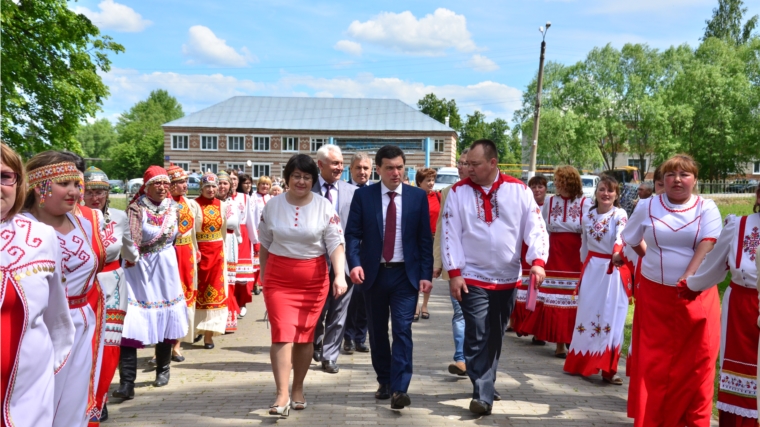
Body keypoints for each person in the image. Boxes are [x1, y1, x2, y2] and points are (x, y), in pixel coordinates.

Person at [442, 140, 549, 415]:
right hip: (472, 276)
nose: (469, 168)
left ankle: (484, 384)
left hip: (507, 277)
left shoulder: (519, 190)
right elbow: (450, 234)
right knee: (476, 332)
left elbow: (536, 228)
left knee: (495, 335)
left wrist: (537, 262)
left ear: (492, 163)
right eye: (466, 163)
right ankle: (483, 393)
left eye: (475, 164)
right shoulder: (458, 192)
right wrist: (454, 272)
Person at [622, 154, 722, 427]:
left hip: (696, 295)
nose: (677, 180)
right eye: (671, 175)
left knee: (697, 363)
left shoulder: (707, 207)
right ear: (662, 180)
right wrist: (651, 258)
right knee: (655, 365)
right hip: (655, 299)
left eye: (684, 174)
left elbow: (709, 242)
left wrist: (689, 277)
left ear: (695, 180)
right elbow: (630, 239)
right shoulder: (646, 206)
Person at [345, 145, 434, 410]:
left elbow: (423, 241)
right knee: (377, 332)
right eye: (389, 168)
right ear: (379, 169)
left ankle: (399, 388)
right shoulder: (365, 197)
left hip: (404, 276)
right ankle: (384, 379)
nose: (395, 173)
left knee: (403, 330)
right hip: (373, 275)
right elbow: (352, 234)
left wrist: (426, 275)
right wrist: (355, 264)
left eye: (400, 167)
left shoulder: (417, 197)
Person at [258, 154, 347, 416]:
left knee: (305, 336)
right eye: (296, 176)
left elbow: (335, 244)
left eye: (307, 177)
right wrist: (264, 277)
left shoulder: (324, 207)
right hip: (278, 279)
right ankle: (281, 394)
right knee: (282, 333)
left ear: (313, 180)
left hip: (313, 280)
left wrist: (339, 275)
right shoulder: (272, 206)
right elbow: (264, 244)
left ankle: (298, 387)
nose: (301, 181)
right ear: (287, 178)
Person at [23, 152, 105, 427]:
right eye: (64, 183)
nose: (74, 191)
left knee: (74, 401)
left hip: (84, 322)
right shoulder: (20, 230)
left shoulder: (84, 222)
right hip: (42, 328)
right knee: (41, 401)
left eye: (75, 183)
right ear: (39, 186)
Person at [1, 143, 75, 427]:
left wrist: (46, 369)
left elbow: (56, 314)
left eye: (6, 176)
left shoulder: (42, 236)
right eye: (63, 183)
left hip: (29, 391)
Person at [684, 184, 760, 425]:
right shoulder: (738, 226)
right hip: (742, 306)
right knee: (742, 370)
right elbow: (715, 264)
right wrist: (691, 285)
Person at [118, 166, 189, 396]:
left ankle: (163, 368)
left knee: (167, 316)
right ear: (146, 186)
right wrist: (132, 256)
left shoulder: (175, 208)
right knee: (131, 320)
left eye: (165, 184)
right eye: (157, 184)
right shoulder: (136, 208)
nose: (162, 188)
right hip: (139, 268)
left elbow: (180, 238)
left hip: (166, 267)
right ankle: (127, 382)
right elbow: (132, 239)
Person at [564, 176, 630, 385]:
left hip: (612, 270)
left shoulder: (619, 214)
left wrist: (617, 252)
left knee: (611, 316)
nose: (606, 194)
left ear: (616, 195)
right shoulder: (588, 216)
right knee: (587, 313)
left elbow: (621, 236)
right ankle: (581, 362)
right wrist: (582, 269)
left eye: (610, 191)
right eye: (602, 189)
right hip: (592, 270)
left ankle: (609, 368)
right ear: (596, 193)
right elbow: (584, 245)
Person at [83, 166, 133, 422]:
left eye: (100, 192)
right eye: (90, 191)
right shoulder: (73, 218)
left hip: (113, 285)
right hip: (83, 287)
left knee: (109, 345)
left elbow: (128, 247)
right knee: (86, 345)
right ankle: (84, 398)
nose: (95, 197)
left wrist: (133, 259)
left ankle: (100, 399)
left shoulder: (118, 217)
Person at [523, 166, 589, 358]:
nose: (558, 185)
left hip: (575, 254)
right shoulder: (550, 202)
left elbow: (586, 231)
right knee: (554, 297)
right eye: (557, 181)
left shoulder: (585, 203)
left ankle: (570, 339)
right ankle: (559, 343)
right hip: (555, 253)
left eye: (562, 181)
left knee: (572, 298)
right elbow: (542, 228)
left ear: (571, 182)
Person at [311, 145, 357, 374]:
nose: (340, 167)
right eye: (335, 163)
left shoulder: (352, 192)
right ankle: (315, 341)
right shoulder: (307, 188)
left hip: (345, 262)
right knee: (317, 310)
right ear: (320, 165)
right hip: (314, 262)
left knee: (339, 312)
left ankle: (330, 356)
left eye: (341, 163)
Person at [433, 148, 470, 377]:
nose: (461, 167)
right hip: (456, 265)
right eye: (460, 163)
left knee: (479, 318)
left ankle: (475, 359)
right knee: (460, 312)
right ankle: (460, 358)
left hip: (483, 267)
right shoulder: (448, 192)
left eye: (466, 163)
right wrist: (437, 262)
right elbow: (441, 229)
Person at [167, 164, 200, 359]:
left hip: (186, 252)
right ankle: (161, 347)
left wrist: (196, 250)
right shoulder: (162, 204)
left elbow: (193, 231)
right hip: (169, 253)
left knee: (185, 294)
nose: (185, 185)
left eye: (185, 181)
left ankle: (177, 344)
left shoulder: (190, 204)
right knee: (166, 296)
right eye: (180, 182)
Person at [193, 173, 229, 348]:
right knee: (198, 291)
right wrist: (195, 250)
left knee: (215, 292)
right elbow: (191, 231)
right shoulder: (194, 205)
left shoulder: (222, 205)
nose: (211, 189)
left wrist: (222, 251)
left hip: (217, 254)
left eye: (214, 186)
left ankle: (209, 334)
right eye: (207, 186)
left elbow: (223, 232)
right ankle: (195, 329)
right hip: (199, 252)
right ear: (201, 187)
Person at [343, 152, 372, 354]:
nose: (362, 172)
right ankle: (347, 337)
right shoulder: (344, 191)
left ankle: (361, 337)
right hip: (348, 251)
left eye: (366, 168)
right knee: (349, 299)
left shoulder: (376, 192)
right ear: (351, 169)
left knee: (365, 299)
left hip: (370, 253)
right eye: (358, 168)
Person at [512, 174, 548, 338]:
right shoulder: (525, 204)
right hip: (525, 247)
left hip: (541, 249)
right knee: (522, 286)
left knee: (537, 288)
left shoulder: (549, 205)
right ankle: (517, 323)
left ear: (546, 189)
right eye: (534, 187)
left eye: (540, 186)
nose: (537, 190)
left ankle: (534, 327)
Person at [228, 170, 257, 319]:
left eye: (234, 179)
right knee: (228, 276)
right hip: (226, 236)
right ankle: (231, 305)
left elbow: (251, 221)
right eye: (230, 179)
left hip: (243, 235)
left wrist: (255, 241)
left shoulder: (245, 198)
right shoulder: (221, 198)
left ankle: (242, 303)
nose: (233, 181)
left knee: (242, 276)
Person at [216, 171, 242, 333]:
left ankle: (227, 320)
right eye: (219, 183)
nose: (222, 186)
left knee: (229, 283)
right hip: (214, 242)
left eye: (225, 183)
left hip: (230, 243)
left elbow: (235, 224)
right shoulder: (208, 203)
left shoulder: (234, 203)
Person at [414, 168, 440, 321]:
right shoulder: (415, 197)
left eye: (432, 180)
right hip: (418, 239)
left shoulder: (438, 196)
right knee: (416, 272)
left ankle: (425, 305)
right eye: (427, 180)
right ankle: (415, 305)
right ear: (419, 182)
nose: (431, 183)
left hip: (434, 239)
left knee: (429, 272)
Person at [251, 176, 272, 295]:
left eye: (267, 184)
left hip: (270, 231)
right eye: (262, 184)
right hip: (258, 230)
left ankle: (266, 282)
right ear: (258, 185)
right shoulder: (253, 197)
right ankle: (256, 283)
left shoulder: (271, 198)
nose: (265, 186)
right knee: (257, 259)